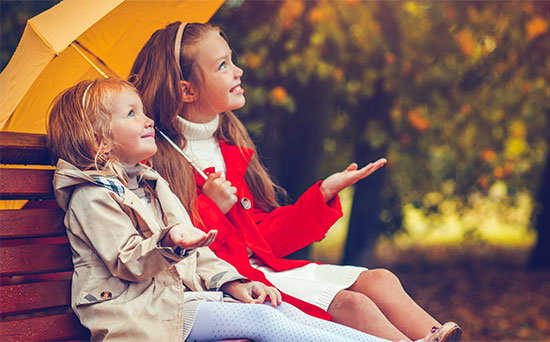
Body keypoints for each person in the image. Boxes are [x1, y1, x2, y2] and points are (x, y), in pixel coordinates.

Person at [128, 21, 462, 342]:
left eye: (233, 60)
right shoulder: (153, 162)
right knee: (354, 305)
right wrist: (211, 206)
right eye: (222, 66)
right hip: (228, 283)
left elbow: (264, 239)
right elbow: (178, 251)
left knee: (380, 279)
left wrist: (324, 193)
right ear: (187, 90)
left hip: (269, 269)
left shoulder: (229, 146)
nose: (237, 71)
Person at [46, 77, 427, 342]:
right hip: (136, 316)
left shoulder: (150, 183)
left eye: (144, 111)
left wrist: (233, 283)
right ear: (98, 139)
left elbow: (201, 253)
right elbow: (128, 261)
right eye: (131, 114)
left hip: (177, 302)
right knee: (264, 320)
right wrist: (171, 241)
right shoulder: (91, 196)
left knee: (280, 313)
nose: (147, 120)